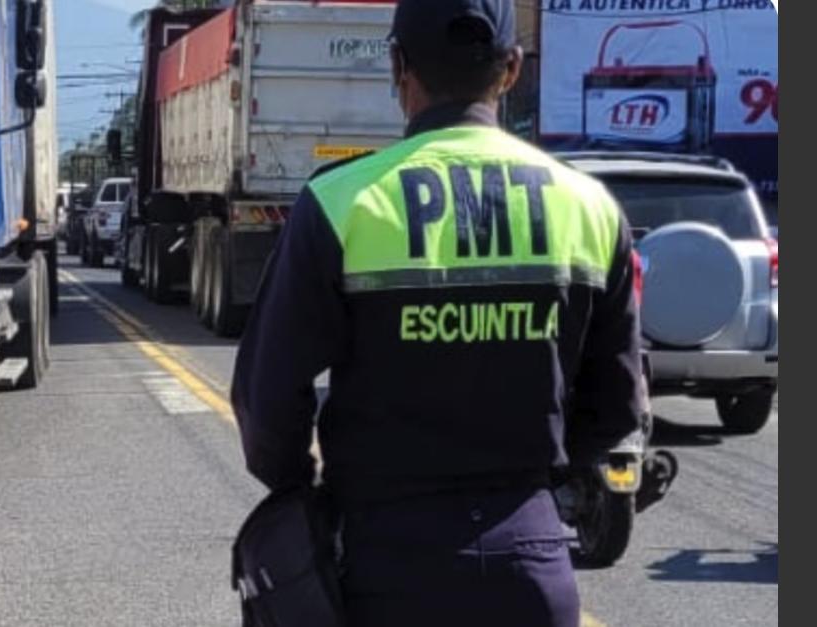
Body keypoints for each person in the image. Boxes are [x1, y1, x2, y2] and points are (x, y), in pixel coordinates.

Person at [231, 0, 646, 624]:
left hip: (384, 563)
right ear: (511, 70)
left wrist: (304, 492)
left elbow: (266, 400)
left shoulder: (342, 203)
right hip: (532, 567)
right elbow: (617, 408)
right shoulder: (589, 208)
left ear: (398, 67)